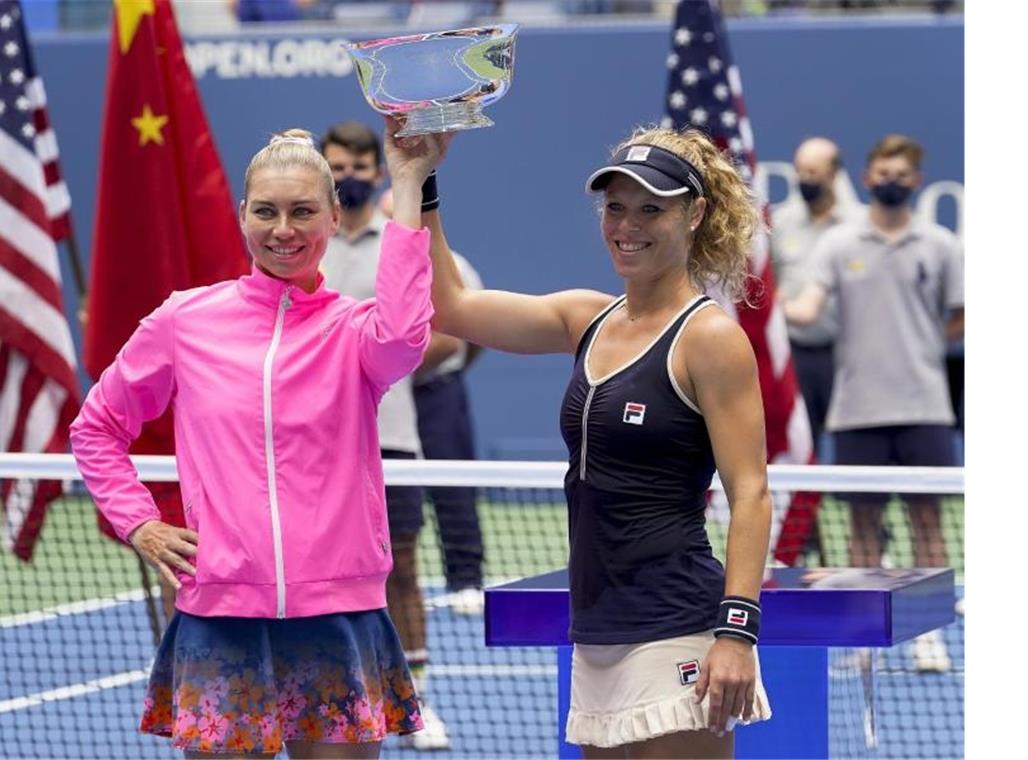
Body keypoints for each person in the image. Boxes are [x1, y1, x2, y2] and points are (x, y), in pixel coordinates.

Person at [69, 119, 450, 758]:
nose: (283, 230)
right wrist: (139, 523)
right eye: (266, 212)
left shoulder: (359, 332)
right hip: (220, 620)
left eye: (303, 212)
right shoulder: (183, 321)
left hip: (338, 617)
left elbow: (409, 332)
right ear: (242, 215)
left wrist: (409, 180)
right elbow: (97, 429)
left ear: (333, 217)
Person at [425, 126, 775, 757]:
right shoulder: (584, 317)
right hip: (597, 628)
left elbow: (749, 493)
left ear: (694, 214)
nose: (627, 225)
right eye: (615, 207)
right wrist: (419, 177)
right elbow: (448, 307)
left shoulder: (710, 339)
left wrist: (737, 634)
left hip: (679, 625)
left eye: (651, 209)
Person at [782, 133, 964, 673]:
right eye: (882, 173)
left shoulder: (940, 244)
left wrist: (920, 343)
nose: (890, 181)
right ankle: (864, 635)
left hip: (925, 406)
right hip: (856, 407)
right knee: (863, 529)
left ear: (916, 182)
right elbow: (809, 310)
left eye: (901, 174)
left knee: (927, 524)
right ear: (865, 179)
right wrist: (757, 310)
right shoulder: (839, 246)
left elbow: (962, 313)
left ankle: (928, 635)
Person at [318, 119, 452, 751]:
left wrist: (379, 357)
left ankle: (415, 701)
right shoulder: (300, 242)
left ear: (376, 170)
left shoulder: (401, 238)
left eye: (356, 165)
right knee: (322, 575)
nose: (346, 176)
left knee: (400, 569)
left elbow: (442, 324)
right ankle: (337, 693)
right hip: (311, 448)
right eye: (335, 164)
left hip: (390, 436)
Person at [770, 137, 865, 461]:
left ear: (834, 173)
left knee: (854, 449)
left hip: (848, 355)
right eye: (799, 171)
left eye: (813, 171)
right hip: (795, 355)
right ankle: (802, 513)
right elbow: (768, 282)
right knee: (799, 444)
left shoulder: (860, 227)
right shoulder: (781, 222)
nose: (804, 179)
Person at [412, 250, 487, 616]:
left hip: (438, 391)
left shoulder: (455, 266)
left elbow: (471, 336)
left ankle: (466, 580)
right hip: (379, 397)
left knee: (454, 487)